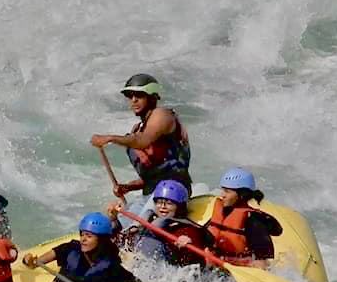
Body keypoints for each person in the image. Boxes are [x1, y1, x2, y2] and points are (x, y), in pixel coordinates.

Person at [90, 74, 192, 203]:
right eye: (130, 96)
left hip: (172, 192)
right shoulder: (137, 129)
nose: (133, 100)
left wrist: (110, 138)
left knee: (137, 223)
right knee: (117, 220)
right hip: (151, 194)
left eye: (139, 95)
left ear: (152, 97)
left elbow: (142, 141)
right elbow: (152, 177)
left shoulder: (162, 115)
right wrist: (129, 187)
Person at [21, 212, 143, 282]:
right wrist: (29, 261)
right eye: (82, 235)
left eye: (88, 236)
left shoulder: (109, 265)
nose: (83, 239)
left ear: (101, 240)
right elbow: (36, 263)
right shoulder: (70, 249)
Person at [175, 167, 283, 270]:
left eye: (227, 191)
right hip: (217, 265)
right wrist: (190, 239)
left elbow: (262, 263)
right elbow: (208, 235)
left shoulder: (254, 221)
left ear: (242, 194)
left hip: (240, 269)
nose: (222, 195)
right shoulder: (221, 210)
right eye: (223, 190)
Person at [109, 179, 211, 268]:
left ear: (180, 206)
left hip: (161, 271)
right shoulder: (147, 220)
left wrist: (187, 243)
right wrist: (114, 220)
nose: (162, 206)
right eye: (159, 202)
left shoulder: (186, 229)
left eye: (169, 203)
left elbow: (193, 252)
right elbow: (119, 240)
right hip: (136, 264)